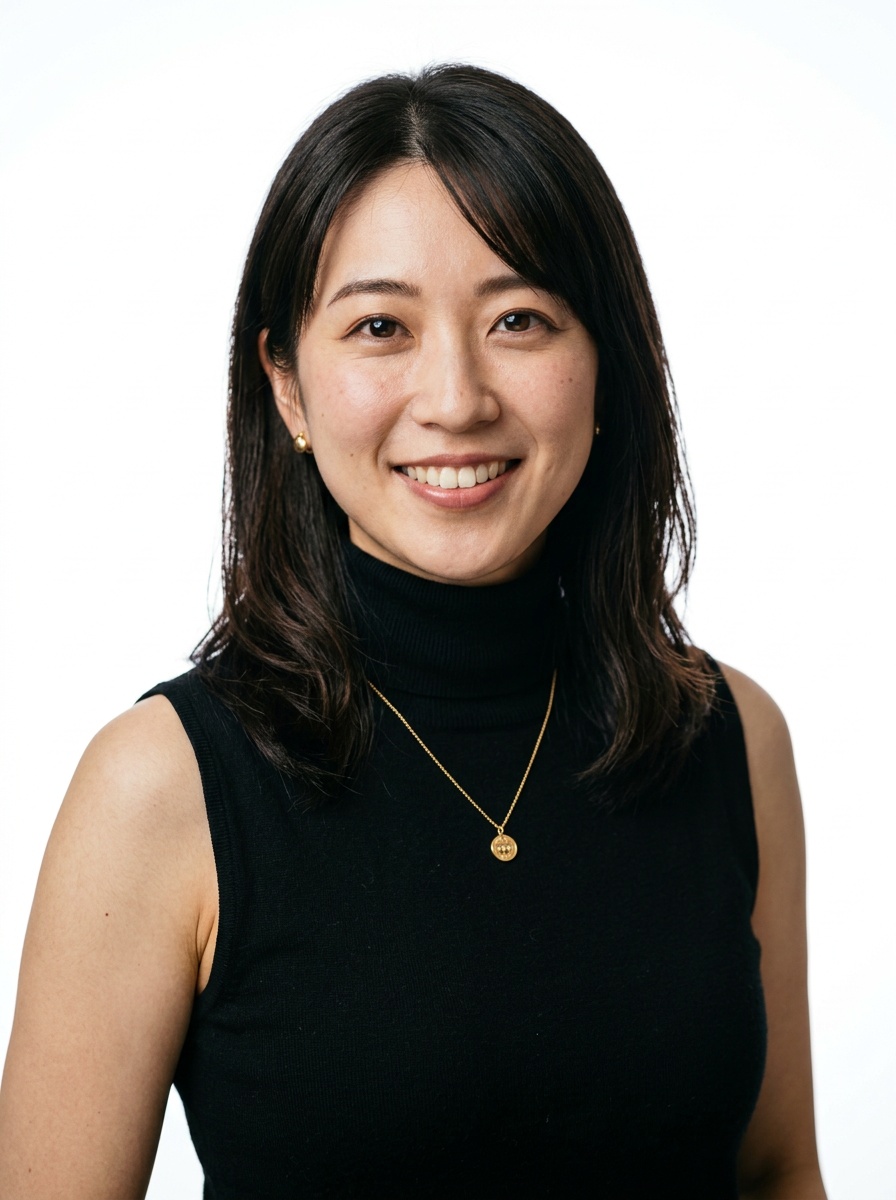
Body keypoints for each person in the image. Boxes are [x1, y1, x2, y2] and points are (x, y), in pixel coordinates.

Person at [0, 64, 826, 1198]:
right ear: (285, 386)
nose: (456, 396)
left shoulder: (727, 735)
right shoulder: (164, 787)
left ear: (606, 369)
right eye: (380, 326)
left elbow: (778, 1173)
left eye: (519, 319)